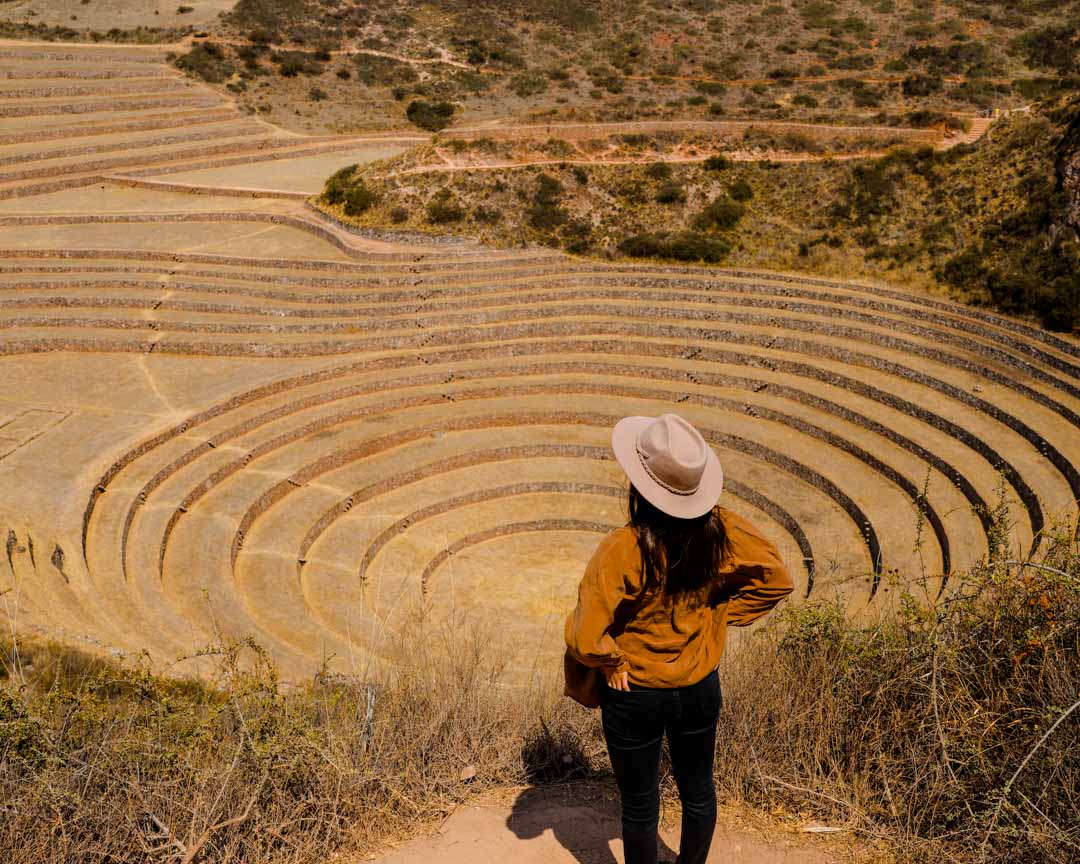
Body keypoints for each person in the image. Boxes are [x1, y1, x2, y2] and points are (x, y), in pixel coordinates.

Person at [565, 413, 794, 864]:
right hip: (699, 687)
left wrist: (612, 661)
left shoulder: (624, 547)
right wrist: (717, 618)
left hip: (635, 692)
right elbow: (776, 579)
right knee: (699, 791)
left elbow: (586, 636)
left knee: (640, 805)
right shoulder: (722, 530)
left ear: (638, 485)